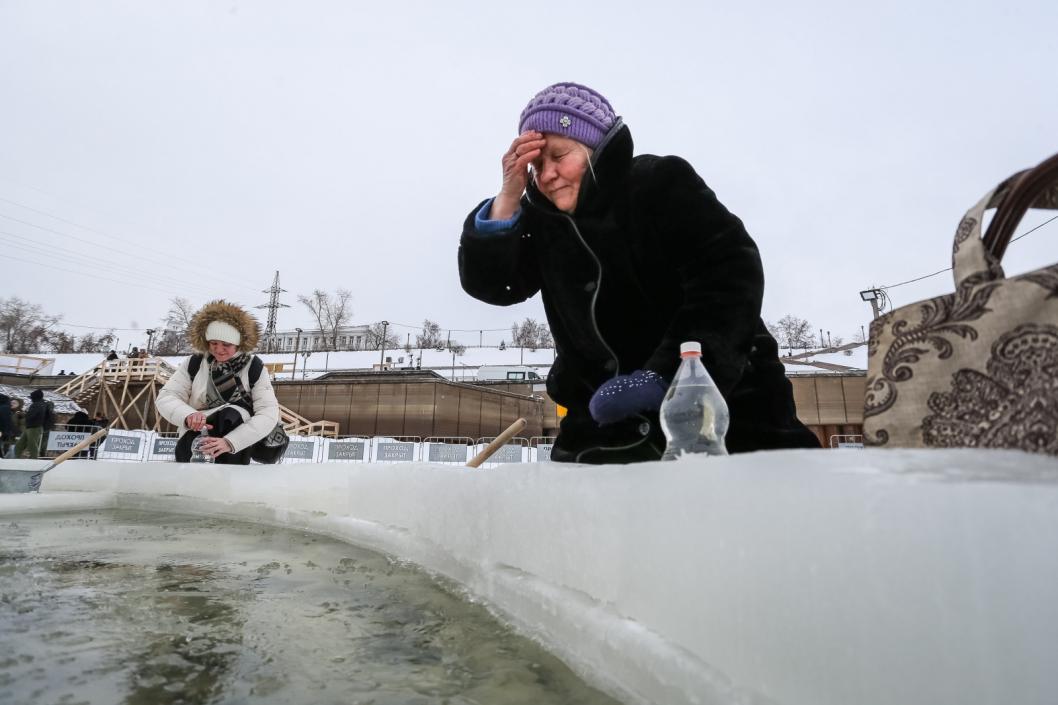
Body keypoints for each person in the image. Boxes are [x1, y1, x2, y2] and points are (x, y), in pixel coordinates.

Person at [458, 82, 821, 463]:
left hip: (725, 418)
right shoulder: (541, 221)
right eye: (537, 165)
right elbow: (498, 286)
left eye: (559, 156)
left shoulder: (658, 183)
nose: (547, 175)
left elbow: (728, 275)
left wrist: (670, 377)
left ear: (595, 149)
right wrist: (508, 199)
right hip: (600, 430)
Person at [156, 300, 283, 464]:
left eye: (226, 344)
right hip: (197, 434)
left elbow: (267, 413)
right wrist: (188, 416)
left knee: (230, 415)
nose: (218, 349)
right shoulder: (194, 363)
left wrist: (230, 442)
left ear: (238, 344)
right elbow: (167, 396)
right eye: (213, 343)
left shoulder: (254, 368)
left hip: (237, 440)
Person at [14, 389, 48, 459]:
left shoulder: (37, 404)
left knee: (32, 445)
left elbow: (31, 415)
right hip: (31, 427)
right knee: (20, 444)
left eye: (32, 397)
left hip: (34, 427)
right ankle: (16, 458)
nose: (31, 399)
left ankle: (33, 460)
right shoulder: (42, 404)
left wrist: (23, 415)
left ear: (35, 397)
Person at [0, 393, 16, 458]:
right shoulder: (6, 407)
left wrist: (4, 432)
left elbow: (4, 420)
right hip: (5, 430)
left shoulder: (3, 408)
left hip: (2, 430)